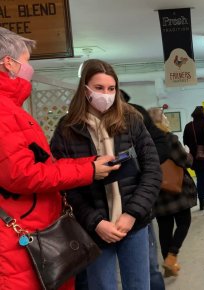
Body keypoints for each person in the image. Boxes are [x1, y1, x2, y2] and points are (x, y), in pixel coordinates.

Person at [0, 28, 119, 290]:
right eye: (27, 61)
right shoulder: (5, 112)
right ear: (9, 63)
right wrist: (88, 170)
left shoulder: (12, 110)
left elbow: (43, 165)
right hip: (22, 237)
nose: (28, 69)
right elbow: (23, 174)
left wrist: (87, 165)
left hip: (36, 230)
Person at [50, 59, 162, 290]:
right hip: (94, 228)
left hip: (133, 223)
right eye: (99, 88)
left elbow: (152, 171)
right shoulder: (67, 129)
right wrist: (96, 222)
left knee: (140, 284)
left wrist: (131, 214)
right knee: (101, 285)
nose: (106, 94)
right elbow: (64, 183)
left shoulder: (131, 120)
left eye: (111, 89)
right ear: (85, 89)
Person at [121, 90, 166, 290]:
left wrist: (139, 166)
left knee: (147, 268)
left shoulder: (135, 115)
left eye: (110, 89)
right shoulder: (83, 123)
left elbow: (159, 149)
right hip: (100, 216)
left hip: (137, 206)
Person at [147, 107, 197, 277]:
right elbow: (185, 162)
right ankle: (171, 256)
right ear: (162, 120)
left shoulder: (144, 142)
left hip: (157, 192)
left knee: (164, 228)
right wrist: (189, 155)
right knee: (184, 222)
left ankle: (169, 265)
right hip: (176, 190)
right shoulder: (170, 139)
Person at [183, 106, 204, 214]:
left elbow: (185, 142)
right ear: (203, 113)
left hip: (195, 159)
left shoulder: (189, 126)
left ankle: (201, 203)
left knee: (200, 180)